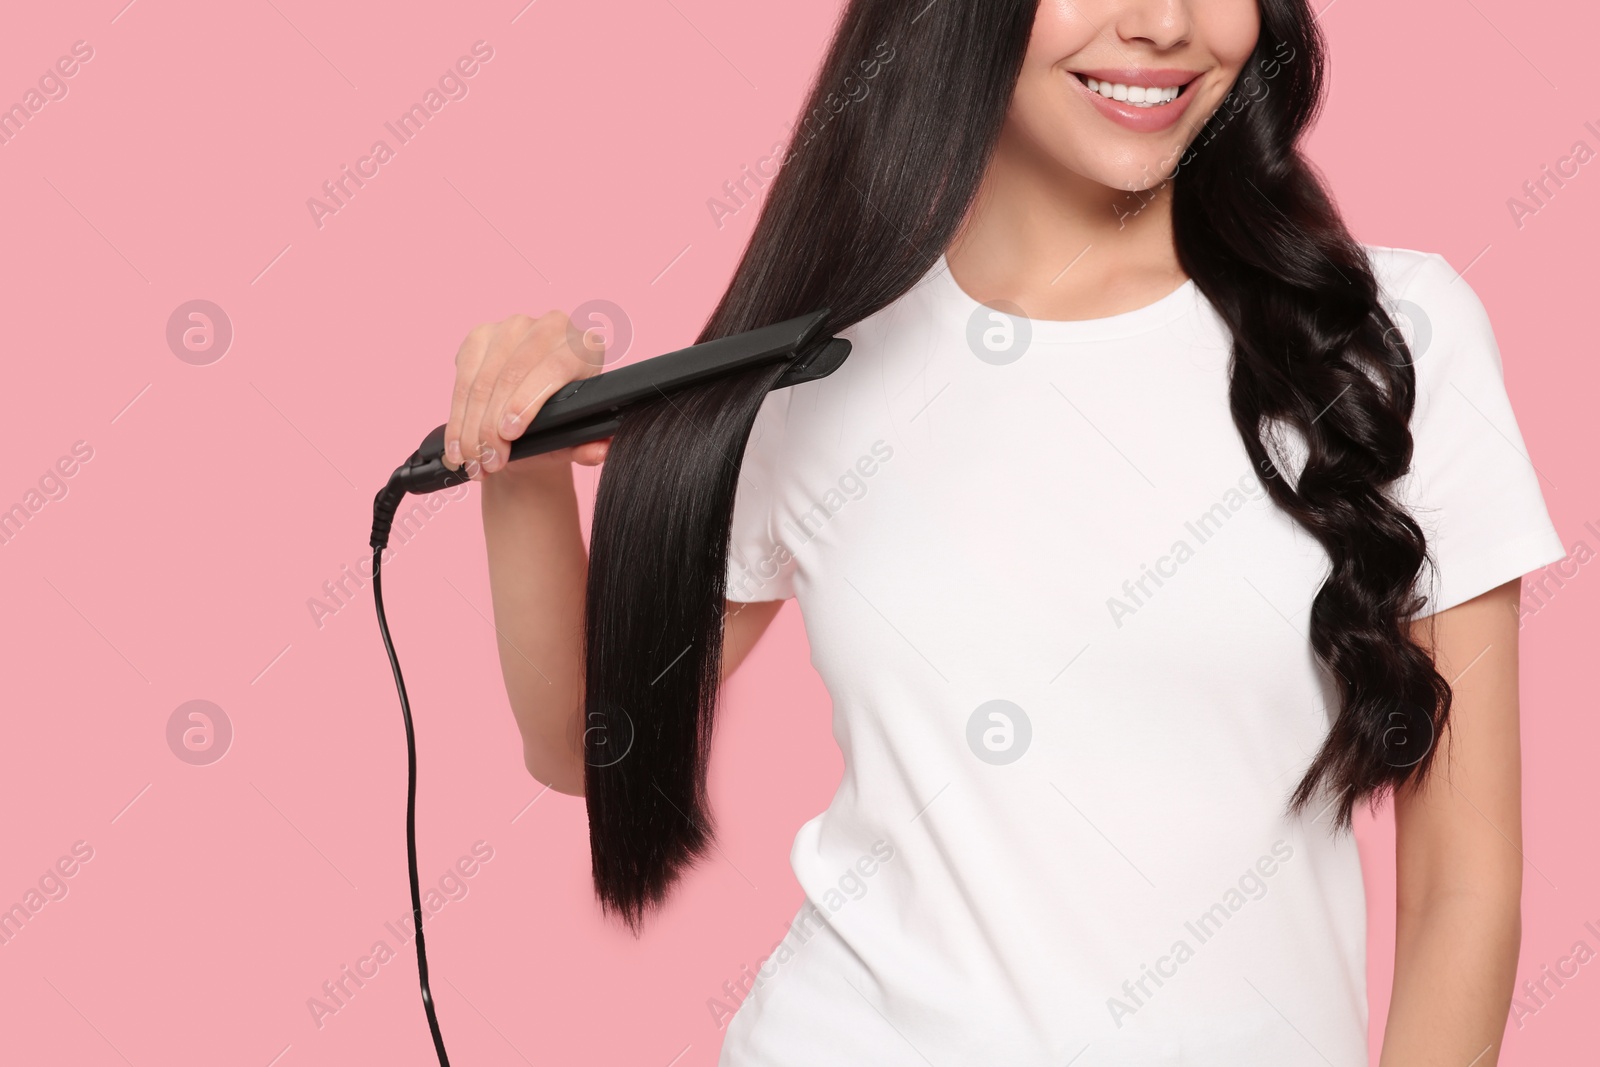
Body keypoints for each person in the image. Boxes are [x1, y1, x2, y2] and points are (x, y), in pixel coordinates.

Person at [440, 1, 1565, 1063]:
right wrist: (518, 463)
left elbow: (1464, 884)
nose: (1163, 23)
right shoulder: (818, 370)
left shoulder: (1389, 343)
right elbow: (582, 742)